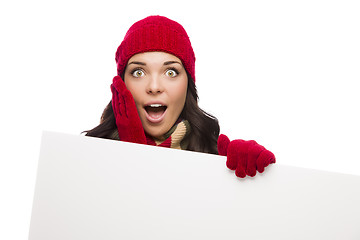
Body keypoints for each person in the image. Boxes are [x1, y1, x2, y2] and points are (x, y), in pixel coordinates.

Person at [85, 15, 275, 178]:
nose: (154, 87)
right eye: (138, 72)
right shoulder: (86, 155)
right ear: (122, 84)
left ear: (188, 84)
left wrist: (256, 180)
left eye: (170, 72)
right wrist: (132, 150)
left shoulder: (213, 156)